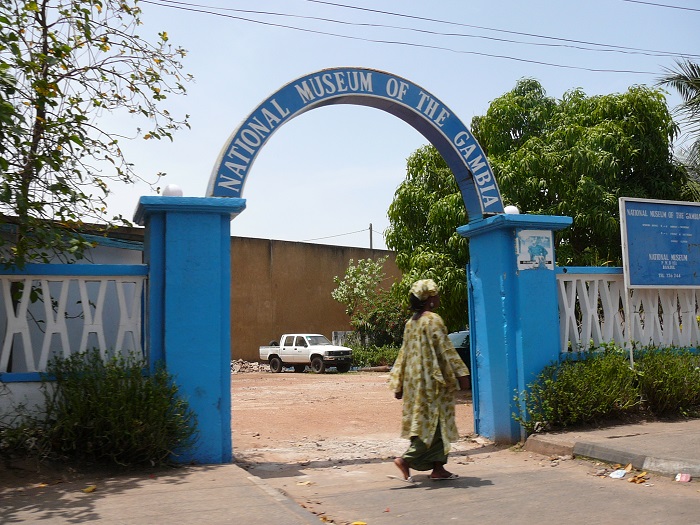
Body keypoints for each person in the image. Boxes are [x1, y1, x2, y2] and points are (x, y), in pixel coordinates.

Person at [388, 278, 470, 482]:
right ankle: (406, 460)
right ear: (429, 299)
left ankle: (438, 468)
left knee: (428, 422)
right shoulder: (433, 320)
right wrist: (462, 373)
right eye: (436, 295)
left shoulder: (410, 323)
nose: (439, 298)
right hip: (433, 383)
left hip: (415, 384)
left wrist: (398, 384)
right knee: (433, 424)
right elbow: (446, 349)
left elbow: (403, 354)